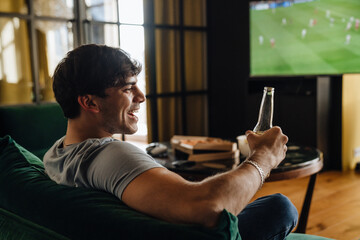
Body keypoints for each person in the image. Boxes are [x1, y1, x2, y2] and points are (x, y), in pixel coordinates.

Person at [44, 44, 298, 240]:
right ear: (90, 103)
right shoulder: (110, 155)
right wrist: (264, 157)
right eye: (127, 89)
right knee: (280, 207)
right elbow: (207, 207)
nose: (141, 97)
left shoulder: (56, 154)